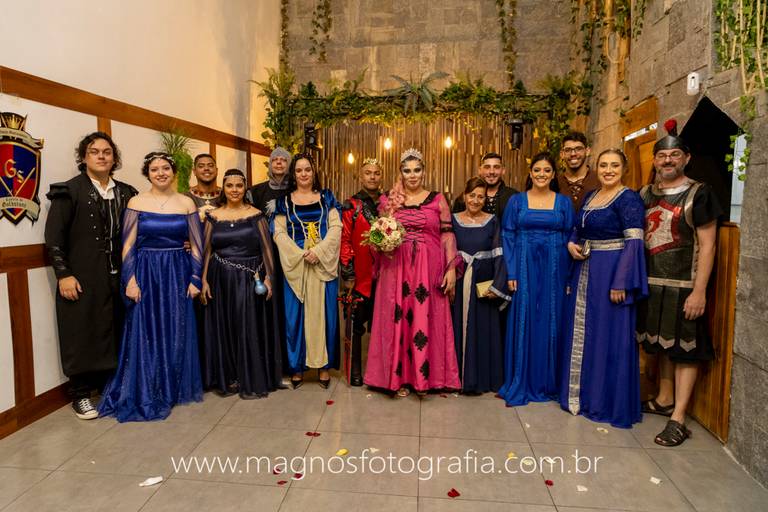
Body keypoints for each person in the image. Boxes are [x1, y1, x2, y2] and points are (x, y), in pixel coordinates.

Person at [98, 152, 204, 422]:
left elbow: (197, 244)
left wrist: (195, 278)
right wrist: (130, 280)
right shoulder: (137, 202)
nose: (161, 173)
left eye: (165, 168)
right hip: (146, 271)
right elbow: (128, 245)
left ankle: (172, 386)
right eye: (155, 169)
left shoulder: (186, 203)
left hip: (178, 270)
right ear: (148, 174)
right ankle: (149, 385)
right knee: (146, 328)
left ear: (173, 171)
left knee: (177, 326)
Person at [637, 124, 721, 446]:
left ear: (687, 158)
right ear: (655, 160)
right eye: (662, 155)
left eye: (674, 154)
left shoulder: (700, 194)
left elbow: (708, 246)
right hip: (651, 283)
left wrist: (699, 291)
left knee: (685, 351)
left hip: (684, 285)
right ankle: (664, 399)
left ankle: (679, 418)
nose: (668, 160)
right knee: (662, 346)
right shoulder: (644, 194)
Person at [44, 132, 137, 419]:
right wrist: (63, 274)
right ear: (84, 157)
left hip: (119, 275)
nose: (101, 156)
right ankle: (81, 394)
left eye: (107, 152)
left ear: (114, 157)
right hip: (83, 275)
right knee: (81, 331)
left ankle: (111, 387)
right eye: (94, 151)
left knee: (115, 328)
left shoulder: (127, 192)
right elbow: (54, 238)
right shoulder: (69, 191)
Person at [559, 149, 648, 428]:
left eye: (614, 165)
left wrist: (622, 281)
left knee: (609, 335)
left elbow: (634, 243)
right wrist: (571, 243)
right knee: (586, 333)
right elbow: (578, 229)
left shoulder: (629, 199)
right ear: (596, 168)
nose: (608, 170)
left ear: (624, 169)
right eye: (604, 165)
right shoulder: (591, 196)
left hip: (611, 272)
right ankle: (582, 395)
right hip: (585, 270)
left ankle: (605, 401)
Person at [365, 148, 461, 397]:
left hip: (428, 267)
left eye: (417, 170)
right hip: (396, 267)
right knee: (397, 317)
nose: (412, 175)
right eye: (407, 170)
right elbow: (377, 234)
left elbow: (447, 235)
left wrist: (451, 268)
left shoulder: (438, 199)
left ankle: (425, 378)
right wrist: (382, 245)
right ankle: (398, 379)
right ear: (401, 173)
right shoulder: (389, 200)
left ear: (424, 171)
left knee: (424, 318)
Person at [200, 169, 282, 399]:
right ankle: (229, 376)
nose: (234, 190)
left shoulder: (256, 215)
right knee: (225, 326)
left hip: (249, 278)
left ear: (245, 188)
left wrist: (269, 278)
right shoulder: (213, 216)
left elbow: (267, 249)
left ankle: (250, 374)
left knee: (248, 325)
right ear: (223, 188)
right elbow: (206, 250)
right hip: (220, 279)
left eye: (239, 185)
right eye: (229, 186)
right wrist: (203, 279)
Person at [499, 153, 573, 405]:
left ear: (553, 175)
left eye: (547, 170)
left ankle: (548, 382)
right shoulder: (517, 201)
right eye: (537, 170)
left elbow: (570, 237)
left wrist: (568, 277)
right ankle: (523, 378)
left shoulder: (563, 203)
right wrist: (512, 272)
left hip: (556, 266)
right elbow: (508, 235)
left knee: (552, 319)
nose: (542, 174)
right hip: (523, 265)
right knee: (525, 317)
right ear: (530, 173)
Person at [273, 153, 341, 389]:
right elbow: (279, 232)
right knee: (295, 317)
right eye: (299, 170)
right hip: (296, 264)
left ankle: (323, 367)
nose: (304, 174)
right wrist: (299, 253)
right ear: (293, 174)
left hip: (322, 262)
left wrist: (319, 251)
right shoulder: (284, 202)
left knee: (325, 315)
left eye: (308, 169)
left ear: (314, 172)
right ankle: (297, 367)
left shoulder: (327, 197)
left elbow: (336, 227)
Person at [451, 177, 510, 394]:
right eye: (472, 195)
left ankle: (481, 378)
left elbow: (499, 253)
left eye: (481, 197)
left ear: (486, 199)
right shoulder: (452, 220)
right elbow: (444, 250)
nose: (475, 200)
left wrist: (498, 284)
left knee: (483, 329)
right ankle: (455, 376)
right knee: (456, 325)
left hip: (483, 281)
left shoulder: (492, 221)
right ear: (464, 196)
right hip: (458, 280)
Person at [340, 158, 383, 386]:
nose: (372, 176)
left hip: (386, 275)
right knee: (356, 325)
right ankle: (355, 370)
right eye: (368, 172)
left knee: (384, 325)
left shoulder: (389, 203)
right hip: (361, 275)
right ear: (361, 176)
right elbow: (345, 240)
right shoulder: (352, 205)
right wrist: (348, 272)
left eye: (376, 173)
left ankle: (381, 372)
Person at [452, 152, 519, 218]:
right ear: (480, 170)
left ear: (503, 170)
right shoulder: (465, 198)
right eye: (487, 167)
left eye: (496, 167)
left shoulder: (515, 197)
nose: (491, 172)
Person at [558, 132, 600, 210]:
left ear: (587, 151)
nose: (573, 154)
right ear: (562, 154)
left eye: (578, 149)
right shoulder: (555, 182)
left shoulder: (599, 179)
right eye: (568, 150)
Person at [247, 146, 291, 215]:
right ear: (270, 164)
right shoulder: (255, 192)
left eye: (283, 160)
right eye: (274, 159)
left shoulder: (297, 190)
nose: (278, 162)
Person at [186, 153, 221, 220]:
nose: (206, 168)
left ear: (216, 171)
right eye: (201, 166)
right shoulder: (186, 197)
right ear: (194, 171)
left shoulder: (226, 196)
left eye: (210, 166)